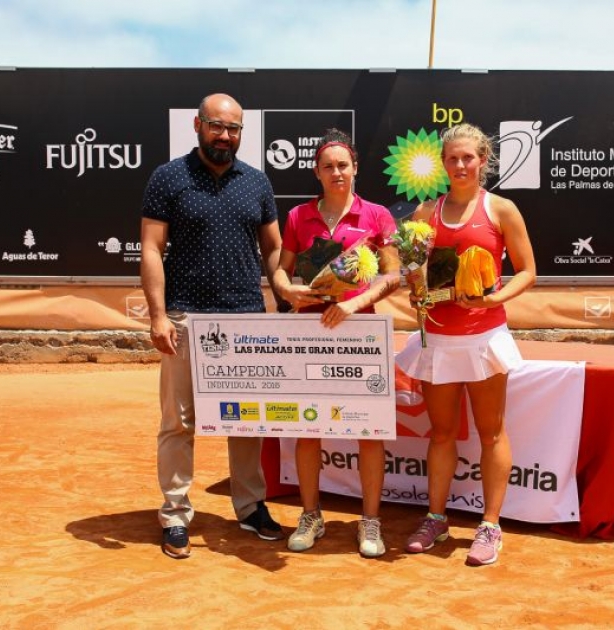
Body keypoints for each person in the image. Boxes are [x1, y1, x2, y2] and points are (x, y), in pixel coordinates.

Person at [140, 93, 285, 559]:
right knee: (179, 424)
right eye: (217, 126)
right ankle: (176, 514)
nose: (225, 135)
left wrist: (284, 304)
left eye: (234, 129)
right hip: (186, 318)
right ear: (198, 126)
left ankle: (249, 506)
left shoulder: (257, 182)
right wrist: (159, 316)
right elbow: (150, 249)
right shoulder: (169, 178)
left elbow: (274, 250)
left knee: (247, 423)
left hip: (246, 319)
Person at [395, 123, 537, 567]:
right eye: (452, 158)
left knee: (491, 432)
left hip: (484, 336)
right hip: (437, 336)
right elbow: (413, 277)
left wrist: (494, 297)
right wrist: (416, 290)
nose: (460, 165)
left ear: (483, 161)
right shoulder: (423, 215)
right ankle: (436, 518)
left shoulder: (502, 210)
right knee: (440, 434)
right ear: (443, 162)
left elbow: (529, 270)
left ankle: (490, 525)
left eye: (468, 158)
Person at [271, 128, 400, 558]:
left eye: (343, 165)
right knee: (309, 428)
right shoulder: (297, 218)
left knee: (368, 431)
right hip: (309, 333)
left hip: (359, 333)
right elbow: (280, 272)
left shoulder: (377, 215)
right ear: (316, 172)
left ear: (356, 168)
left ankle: (371, 521)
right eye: (328, 166)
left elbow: (393, 274)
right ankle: (311, 515)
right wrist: (288, 291)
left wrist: (355, 303)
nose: (336, 172)